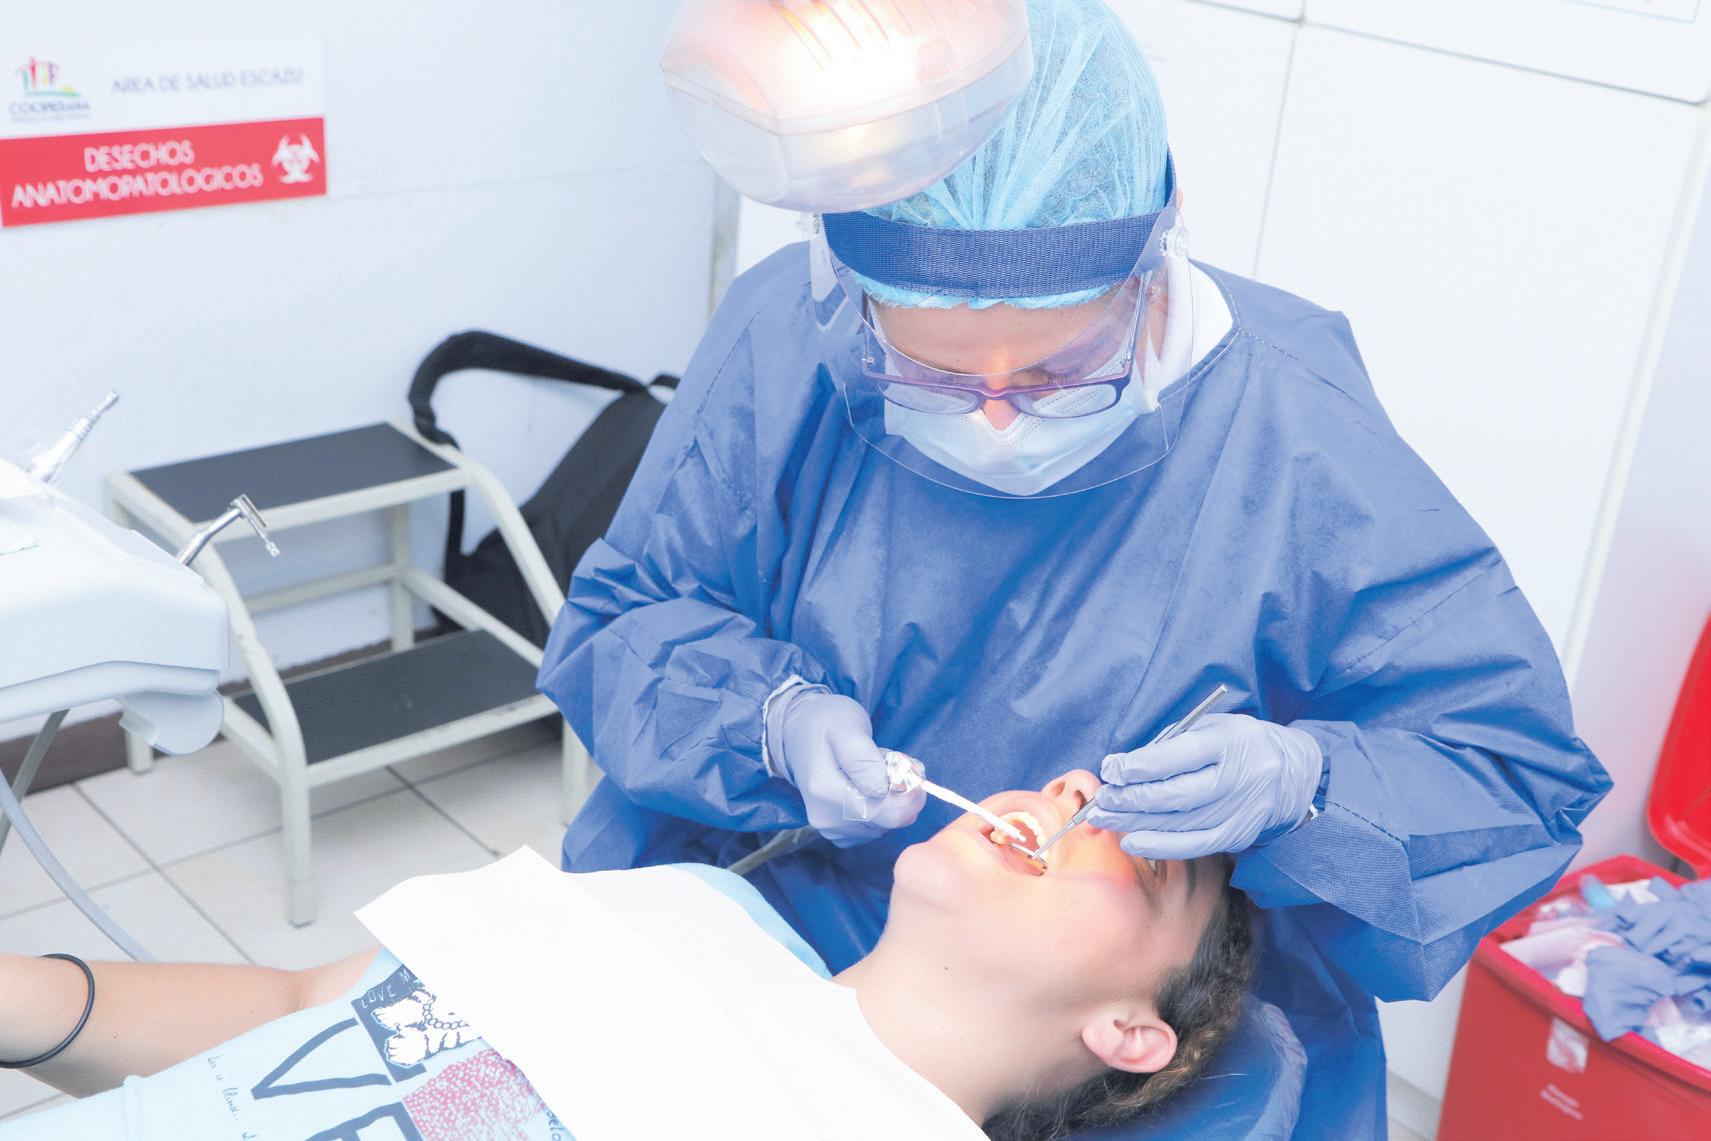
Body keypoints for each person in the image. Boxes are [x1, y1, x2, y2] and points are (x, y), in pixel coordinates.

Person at [535, 0, 1612, 1135]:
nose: (994, 421)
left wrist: (1309, 784)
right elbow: (628, 619)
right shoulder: (786, 337)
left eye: (1054, 376)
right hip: (778, 921)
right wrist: (765, 722)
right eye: (930, 378)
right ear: (848, 297)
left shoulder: (1292, 430)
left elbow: (1507, 774)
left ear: (1155, 259)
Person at [0, 774, 1262, 1141]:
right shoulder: (691, 907)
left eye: (1150, 862)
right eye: (1076, 785)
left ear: (1130, 1030)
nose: (1072, 792)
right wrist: (31, 998)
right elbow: (300, 1008)